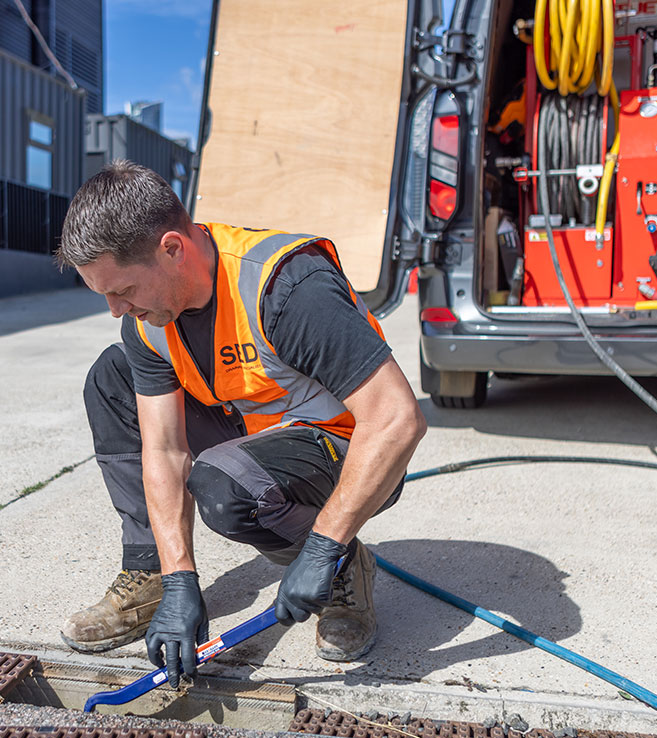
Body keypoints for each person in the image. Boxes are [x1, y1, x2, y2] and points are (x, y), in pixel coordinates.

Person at [55, 161, 426, 688]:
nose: (116, 309)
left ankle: (343, 567)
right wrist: (181, 575)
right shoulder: (148, 322)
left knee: (224, 489)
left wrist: (323, 546)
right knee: (111, 377)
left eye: (124, 290)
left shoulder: (288, 289)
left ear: (172, 249)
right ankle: (153, 578)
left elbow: (396, 420)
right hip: (256, 437)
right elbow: (162, 450)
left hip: (348, 450)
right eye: (105, 295)